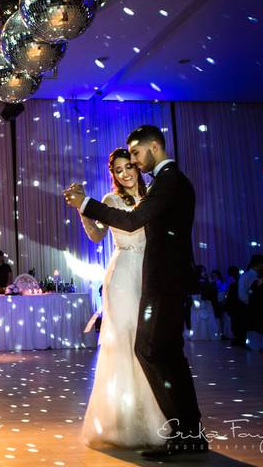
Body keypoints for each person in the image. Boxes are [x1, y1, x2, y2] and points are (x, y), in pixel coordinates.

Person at [65, 125, 206, 458]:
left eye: (137, 155)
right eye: (125, 164)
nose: (135, 164)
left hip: (161, 280)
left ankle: (183, 431)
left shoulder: (168, 182)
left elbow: (132, 222)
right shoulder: (169, 182)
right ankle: (187, 432)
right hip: (149, 278)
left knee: (153, 351)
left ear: (153, 147)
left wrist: (85, 202)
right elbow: (116, 229)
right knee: (162, 352)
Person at [74, 148, 165, 448]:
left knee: (150, 343)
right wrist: (83, 209)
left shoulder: (153, 195)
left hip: (151, 270)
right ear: (112, 174)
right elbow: (96, 236)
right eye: (118, 170)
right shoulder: (110, 201)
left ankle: (158, 416)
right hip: (123, 275)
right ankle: (124, 421)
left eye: (129, 167)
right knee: (125, 341)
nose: (125, 173)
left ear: (139, 167)